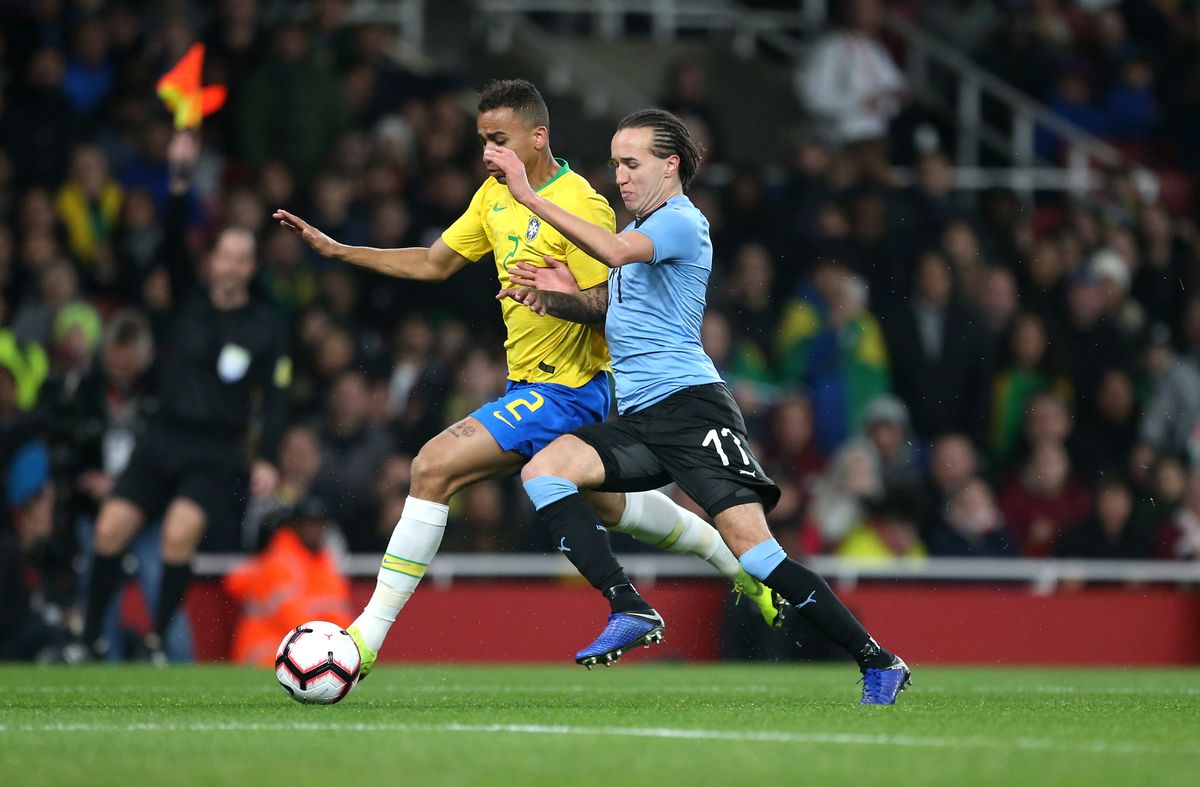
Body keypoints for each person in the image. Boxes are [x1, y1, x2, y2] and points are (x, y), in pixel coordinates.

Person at [273, 80, 782, 678]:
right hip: (529, 388)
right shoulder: (492, 198)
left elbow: (610, 304)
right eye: (483, 141)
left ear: (538, 137)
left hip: (571, 389)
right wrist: (340, 251)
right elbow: (436, 262)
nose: (488, 153)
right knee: (616, 511)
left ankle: (363, 640)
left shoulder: (582, 204)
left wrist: (556, 297)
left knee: (431, 466)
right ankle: (739, 569)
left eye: (500, 140)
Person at [490, 108, 910, 703]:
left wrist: (527, 193)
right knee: (544, 470)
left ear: (672, 165)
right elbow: (617, 310)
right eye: (615, 164)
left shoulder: (683, 223)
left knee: (758, 554)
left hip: (693, 411)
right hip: (639, 418)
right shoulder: (645, 235)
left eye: (631, 164)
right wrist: (561, 295)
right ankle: (628, 605)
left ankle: (877, 659)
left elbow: (610, 250)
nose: (620, 177)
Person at [80, 129, 290, 662]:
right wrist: (178, 179)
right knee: (109, 530)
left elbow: (278, 398)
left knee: (177, 538)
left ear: (251, 267)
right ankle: (87, 640)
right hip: (164, 437)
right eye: (226, 254)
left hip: (217, 450)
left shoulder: (266, 326)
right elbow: (171, 240)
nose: (234, 265)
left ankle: (155, 640)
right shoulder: (186, 303)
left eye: (245, 257)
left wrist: (265, 456)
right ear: (212, 260)